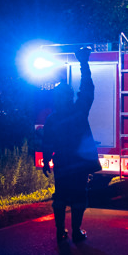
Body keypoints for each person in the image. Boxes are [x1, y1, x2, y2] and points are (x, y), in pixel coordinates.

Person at [42, 46, 102, 243]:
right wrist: (83, 63)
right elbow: (87, 90)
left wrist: (46, 161)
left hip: (62, 163)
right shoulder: (79, 111)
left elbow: (47, 141)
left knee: (60, 197)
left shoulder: (52, 119)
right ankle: (76, 232)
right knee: (79, 198)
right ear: (71, 97)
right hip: (79, 163)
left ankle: (60, 232)